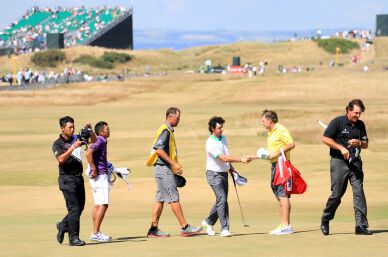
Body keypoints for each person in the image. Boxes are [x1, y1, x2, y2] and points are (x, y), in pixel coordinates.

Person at [146, 107, 202, 237]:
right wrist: (174, 163)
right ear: (170, 117)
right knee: (173, 197)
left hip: (160, 168)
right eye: (178, 118)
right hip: (163, 168)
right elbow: (159, 150)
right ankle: (185, 228)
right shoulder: (165, 130)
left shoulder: (166, 129)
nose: (179, 120)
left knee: (160, 198)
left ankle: (153, 229)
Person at [320, 99, 371, 235]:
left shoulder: (361, 125)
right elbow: (326, 138)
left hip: (355, 163)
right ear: (348, 110)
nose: (358, 116)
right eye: (355, 113)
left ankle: (360, 226)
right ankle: (326, 218)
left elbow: (366, 144)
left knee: (358, 192)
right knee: (337, 194)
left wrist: (359, 142)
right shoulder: (338, 121)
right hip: (339, 162)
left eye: (359, 113)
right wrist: (341, 148)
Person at [201, 116, 249, 237]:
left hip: (223, 173)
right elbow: (223, 158)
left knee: (221, 200)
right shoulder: (210, 143)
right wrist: (240, 159)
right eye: (219, 128)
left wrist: (232, 169)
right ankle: (225, 228)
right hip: (213, 174)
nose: (221, 130)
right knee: (222, 199)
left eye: (222, 127)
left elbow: (226, 157)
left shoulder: (223, 138)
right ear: (212, 129)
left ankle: (208, 222)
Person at [52, 116, 96, 246]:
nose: (72, 129)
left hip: (78, 178)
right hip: (66, 178)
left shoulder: (77, 138)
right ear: (62, 128)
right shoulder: (57, 143)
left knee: (79, 207)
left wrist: (90, 130)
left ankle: (62, 225)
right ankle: (73, 238)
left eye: (73, 127)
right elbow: (60, 159)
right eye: (69, 127)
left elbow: (93, 140)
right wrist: (72, 147)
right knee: (74, 208)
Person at [260, 110, 295, 235]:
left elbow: (291, 144)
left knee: (282, 194)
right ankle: (283, 224)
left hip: (282, 165)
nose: (262, 123)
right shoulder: (271, 132)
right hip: (275, 165)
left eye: (263, 121)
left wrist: (277, 152)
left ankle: (286, 225)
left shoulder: (280, 129)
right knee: (279, 195)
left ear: (270, 121)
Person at [86, 121, 112, 242]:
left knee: (97, 204)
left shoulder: (98, 140)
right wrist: (94, 168)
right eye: (107, 129)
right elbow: (88, 153)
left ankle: (96, 231)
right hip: (99, 176)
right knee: (104, 204)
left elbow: (92, 146)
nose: (109, 130)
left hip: (97, 176)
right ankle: (95, 233)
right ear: (101, 132)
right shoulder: (101, 140)